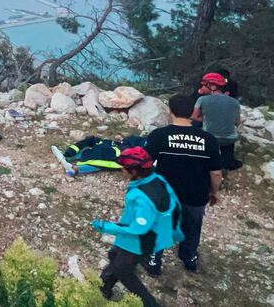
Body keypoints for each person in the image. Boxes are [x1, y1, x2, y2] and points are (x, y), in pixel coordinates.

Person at [91, 147, 183, 307]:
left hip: (140, 241)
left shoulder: (141, 197)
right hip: (152, 234)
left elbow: (138, 229)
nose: (121, 170)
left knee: (124, 271)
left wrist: (106, 227)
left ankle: (150, 304)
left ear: (134, 170)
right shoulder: (158, 179)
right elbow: (176, 205)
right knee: (115, 256)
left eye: (124, 167)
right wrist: (176, 230)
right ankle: (103, 287)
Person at [145, 94, 223, 274]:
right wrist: (214, 191)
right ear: (192, 113)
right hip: (195, 194)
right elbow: (216, 172)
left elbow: (146, 164)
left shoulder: (159, 135)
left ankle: (154, 262)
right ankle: (189, 258)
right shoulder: (208, 139)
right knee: (192, 227)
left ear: (170, 110)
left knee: (159, 225)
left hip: (165, 194)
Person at [192, 72, 242, 175]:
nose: (202, 87)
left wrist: (207, 119)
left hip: (210, 138)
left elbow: (194, 116)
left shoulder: (202, 99)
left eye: (204, 85)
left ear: (213, 86)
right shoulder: (235, 102)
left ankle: (205, 162)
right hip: (230, 139)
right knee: (229, 135)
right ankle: (228, 162)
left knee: (197, 128)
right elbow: (237, 122)